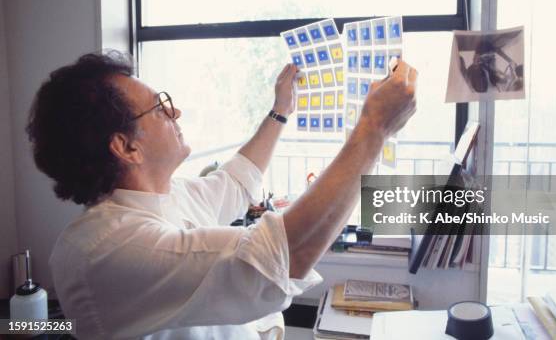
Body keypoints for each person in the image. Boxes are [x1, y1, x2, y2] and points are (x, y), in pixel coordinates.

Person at [26, 50, 417, 339]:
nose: (175, 113)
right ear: (127, 148)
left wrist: (280, 110)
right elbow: (285, 256)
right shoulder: (105, 249)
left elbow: (235, 180)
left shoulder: (167, 197)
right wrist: (373, 130)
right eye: (160, 107)